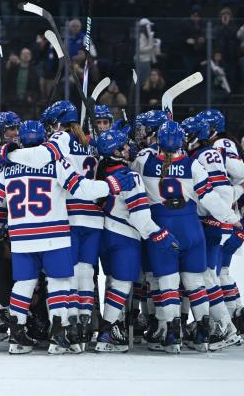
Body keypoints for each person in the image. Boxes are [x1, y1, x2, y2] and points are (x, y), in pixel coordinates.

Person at [0, 119, 132, 355]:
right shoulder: (56, 163)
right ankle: (57, 335)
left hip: (21, 236)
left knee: (24, 284)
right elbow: (83, 190)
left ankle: (17, 336)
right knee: (59, 283)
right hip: (54, 234)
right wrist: (111, 184)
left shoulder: (7, 168)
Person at [130, 121, 242, 353]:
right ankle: (202, 335)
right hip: (191, 228)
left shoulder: (144, 162)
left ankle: (172, 336)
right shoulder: (193, 164)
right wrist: (231, 218)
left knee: (168, 285)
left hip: (162, 229)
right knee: (196, 284)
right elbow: (210, 199)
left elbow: (131, 187)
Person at [94, 129, 173, 352]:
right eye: (124, 146)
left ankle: (114, 325)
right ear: (116, 151)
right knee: (121, 284)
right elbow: (139, 215)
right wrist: (159, 234)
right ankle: (108, 332)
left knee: (112, 281)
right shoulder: (130, 176)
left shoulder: (100, 172)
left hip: (103, 234)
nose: (129, 148)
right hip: (124, 237)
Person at [40, 102, 102, 352]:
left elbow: (46, 157)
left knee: (69, 273)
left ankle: (71, 326)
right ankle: (86, 324)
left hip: (71, 212)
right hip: (95, 216)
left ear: (58, 122)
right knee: (87, 271)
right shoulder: (91, 141)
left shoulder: (60, 137)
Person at [181, 116, 244, 351]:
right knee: (205, 277)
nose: (183, 138)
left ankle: (225, 328)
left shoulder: (204, 156)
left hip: (208, 223)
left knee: (208, 277)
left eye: (187, 134)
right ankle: (223, 325)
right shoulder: (203, 154)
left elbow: (219, 193)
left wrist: (231, 218)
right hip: (207, 221)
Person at [195, 109, 244, 343]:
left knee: (214, 275)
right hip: (228, 219)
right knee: (221, 274)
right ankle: (240, 327)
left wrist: (237, 188)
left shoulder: (221, 143)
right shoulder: (224, 144)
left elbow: (239, 172)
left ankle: (228, 326)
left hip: (226, 219)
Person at [5, 48, 41, 117]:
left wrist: (32, 97)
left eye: (28, 54)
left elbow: (37, 91)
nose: (26, 55)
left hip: (27, 105)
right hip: (13, 103)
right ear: (20, 56)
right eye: (24, 53)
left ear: (31, 56)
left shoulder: (34, 73)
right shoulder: (12, 70)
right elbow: (7, 86)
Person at [136, 18, 160, 86]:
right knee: (143, 80)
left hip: (147, 60)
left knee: (146, 80)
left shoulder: (148, 36)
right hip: (141, 61)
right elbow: (140, 50)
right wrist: (151, 47)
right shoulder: (141, 36)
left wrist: (155, 45)